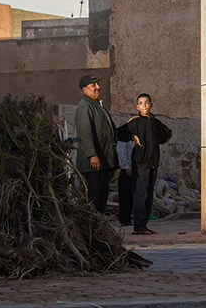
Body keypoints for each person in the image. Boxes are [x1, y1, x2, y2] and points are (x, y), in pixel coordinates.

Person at [117, 93, 173, 235]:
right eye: (141, 103)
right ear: (137, 107)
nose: (144, 106)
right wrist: (132, 136)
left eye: (147, 103)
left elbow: (167, 134)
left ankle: (144, 225)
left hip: (153, 163)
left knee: (148, 196)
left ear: (151, 105)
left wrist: (155, 142)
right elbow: (118, 133)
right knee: (140, 195)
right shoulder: (135, 122)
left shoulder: (155, 122)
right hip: (140, 163)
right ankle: (138, 226)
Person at [73, 75, 122, 213]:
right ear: (84, 89)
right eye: (93, 85)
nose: (98, 87)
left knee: (102, 197)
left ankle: (99, 228)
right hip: (93, 163)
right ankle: (91, 228)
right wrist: (92, 154)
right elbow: (85, 132)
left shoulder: (97, 106)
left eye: (97, 84)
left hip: (102, 161)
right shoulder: (84, 107)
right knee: (94, 198)